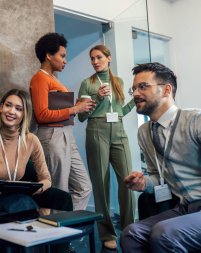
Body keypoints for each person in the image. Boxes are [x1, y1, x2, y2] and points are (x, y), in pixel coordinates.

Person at [120, 62, 201, 252]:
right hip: (188, 208)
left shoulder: (198, 119)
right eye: (133, 89)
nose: (135, 94)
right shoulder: (144, 132)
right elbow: (157, 176)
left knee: (165, 233)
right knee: (130, 234)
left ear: (166, 90)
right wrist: (144, 183)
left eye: (143, 87)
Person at [0, 89, 73, 214]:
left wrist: (35, 189)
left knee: (55, 199)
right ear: (1, 108)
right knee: (23, 204)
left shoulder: (31, 140)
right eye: (8, 105)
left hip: (17, 197)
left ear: (24, 114)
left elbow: (46, 179)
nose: (11, 111)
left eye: (19, 109)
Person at [78, 44, 135, 250]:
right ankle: (106, 233)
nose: (95, 62)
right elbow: (82, 116)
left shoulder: (118, 81)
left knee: (128, 181)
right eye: (92, 58)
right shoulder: (87, 84)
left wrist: (135, 102)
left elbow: (121, 111)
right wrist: (97, 97)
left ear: (108, 58)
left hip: (118, 130)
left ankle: (130, 229)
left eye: (99, 57)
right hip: (96, 130)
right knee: (101, 184)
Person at [29, 32, 94, 210]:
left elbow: (57, 110)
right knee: (58, 191)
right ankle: (57, 234)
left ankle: (68, 228)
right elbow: (41, 115)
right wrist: (75, 109)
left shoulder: (52, 79)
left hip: (66, 135)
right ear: (49, 56)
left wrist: (77, 106)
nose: (65, 61)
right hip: (52, 136)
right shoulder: (39, 78)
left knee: (83, 187)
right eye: (62, 56)